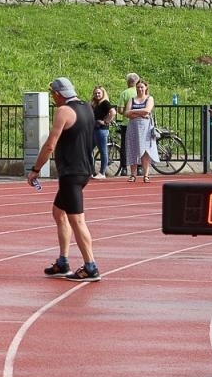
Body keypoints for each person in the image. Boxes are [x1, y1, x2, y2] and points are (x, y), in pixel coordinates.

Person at [28, 77, 100, 280]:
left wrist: (35, 169)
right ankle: (63, 261)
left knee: (77, 220)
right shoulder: (86, 107)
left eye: (53, 95)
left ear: (59, 94)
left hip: (72, 173)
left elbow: (50, 144)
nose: (53, 99)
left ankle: (91, 266)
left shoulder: (64, 112)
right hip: (84, 169)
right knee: (59, 213)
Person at [125, 78, 159, 182]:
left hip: (145, 128)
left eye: (142, 87)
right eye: (138, 87)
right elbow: (126, 113)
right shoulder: (132, 99)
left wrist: (133, 112)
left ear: (146, 88)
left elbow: (147, 110)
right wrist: (140, 113)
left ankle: (146, 175)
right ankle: (133, 174)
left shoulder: (149, 98)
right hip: (133, 127)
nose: (140, 89)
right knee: (132, 149)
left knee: (145, 151)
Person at [115, 71, 140, 176]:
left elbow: (120, 109)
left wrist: (126, 112)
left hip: (126, 123)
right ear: (137, 82)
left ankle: (124, 168)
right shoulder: (140, 92)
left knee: (124, 146)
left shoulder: (125, 93)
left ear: (128, 82)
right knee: (138, 145)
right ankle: (139, 167)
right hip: (139, 123)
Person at [89, 85, 116, 179]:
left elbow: (113, 112)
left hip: (101, 130)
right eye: (95, 93)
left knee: (103, 151)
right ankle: (91, 171)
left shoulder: (105, 103)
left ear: (103, 93)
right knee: (88, 149)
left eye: (99, 93)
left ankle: (102, 172)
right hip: (95, 129)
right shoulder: (96, 104)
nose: (97, 94)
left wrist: (106, 121)